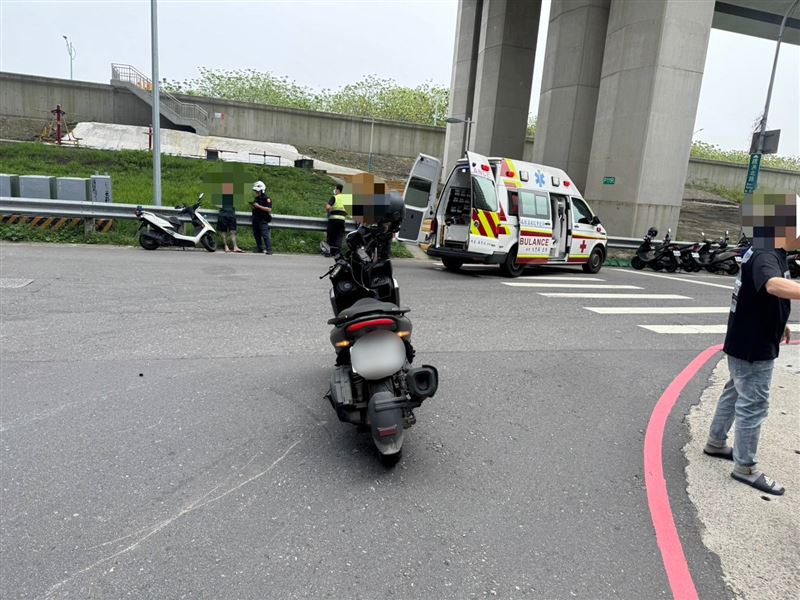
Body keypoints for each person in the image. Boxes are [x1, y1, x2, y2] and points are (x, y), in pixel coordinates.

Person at [704, 205, 800, 496]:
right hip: (753, 344)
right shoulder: (766, 254)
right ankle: (745, 467)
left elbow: (759, 293)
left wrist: (780, 322)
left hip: (747, 337)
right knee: (753, 404)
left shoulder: (765, 251)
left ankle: (716, 442)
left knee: (735, 391)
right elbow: (772, 285)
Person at [217, 182, 243, 253]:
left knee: (233, 231)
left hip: (231, 214)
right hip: (223, 215)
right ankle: (226, 246)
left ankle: (235, 247)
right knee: (224, 231)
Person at [251, 180, 273, 255]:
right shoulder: (257, 198)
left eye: (258, 191)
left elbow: (269, 209)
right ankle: (259, 248)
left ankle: (269, 249)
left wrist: (258, 206)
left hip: (263, 219)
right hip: (255, 218)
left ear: (262, 190)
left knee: (265, 234)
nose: (256, 192)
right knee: (256, 234)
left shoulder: (267, 198)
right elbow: (256, 206)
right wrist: (253, 207)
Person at [326, 183, 349, 253]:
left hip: (333, 220)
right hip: (342, 220)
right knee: (339, 236)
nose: (335, 190)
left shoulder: (334, 197)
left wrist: (328, 212)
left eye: (335, 189)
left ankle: (329, 251)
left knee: (331, 235)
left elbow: (328, 207)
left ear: (338, 190)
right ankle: (337, 252)